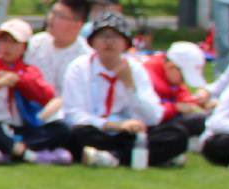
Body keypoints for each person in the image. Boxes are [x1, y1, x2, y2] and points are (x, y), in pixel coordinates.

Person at [65, 11, 187, 168]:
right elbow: (73, 114)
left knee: (177, 134)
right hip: (96, 130)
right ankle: (145, 157)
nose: (109, 42)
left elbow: (154, 116)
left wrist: (130, 86)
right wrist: (113, 125)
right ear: (93, 42)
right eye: (103, 36)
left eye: (115, 37)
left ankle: (113, 158)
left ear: (125, 43)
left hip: (128, 133)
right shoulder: (79, 67)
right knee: (76, 134)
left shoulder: (136, 69)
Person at [0, 20, 72, 164]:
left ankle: (12, 150)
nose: (7, 47)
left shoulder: (29, 71)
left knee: (61, 129)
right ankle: (28, 155)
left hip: (20, 129)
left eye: (14, 42)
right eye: (4, 41)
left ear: (24, 48)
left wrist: (21, 81)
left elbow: (46, 97)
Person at [26, 0, 93, 98]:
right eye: (52, 12)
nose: (50, 18)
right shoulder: (35, 43)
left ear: (77, 24)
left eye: (60, 16)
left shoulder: (86, 57)